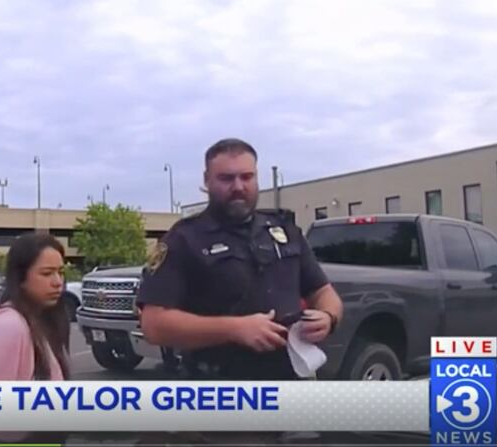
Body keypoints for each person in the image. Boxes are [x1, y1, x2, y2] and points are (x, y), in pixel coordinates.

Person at [137, 138, 344, 381]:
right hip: (219, 387)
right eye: (226, 178)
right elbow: (153, 324)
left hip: (291, 380)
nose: (238, 187)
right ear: (207, 180)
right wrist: (235, 329)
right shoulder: (184, 238)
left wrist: (328, 317)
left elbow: (323, 292)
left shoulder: (283, 230)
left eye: (246, 177)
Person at [0, 232, 70, 443]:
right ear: (21, 278)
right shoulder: (9, 326)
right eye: (47, 273)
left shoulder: (39, 320)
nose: (58, 282)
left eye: (60, 272)